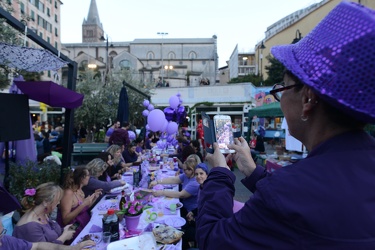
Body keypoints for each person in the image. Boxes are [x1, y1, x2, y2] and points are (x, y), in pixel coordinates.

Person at [196, 2, 375, 249]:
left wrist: (219, 174)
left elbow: (212, 239)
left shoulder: (290, 191)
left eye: (282, 88)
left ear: (307, 99)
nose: (280, 101)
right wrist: (253, 171)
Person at [57, 166, 101, 243]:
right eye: (88, 175)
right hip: (74, 229)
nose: (89, 177)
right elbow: (65, 219)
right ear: (81, 178)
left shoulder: (79, 190)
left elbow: (83, 209)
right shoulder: (68, 193)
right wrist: (83, 204)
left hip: (84, 224)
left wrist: (94, 198)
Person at [182, 163, 208, 250]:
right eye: (196, 174)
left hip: (205, 229)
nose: (198, 176)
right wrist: (193, 212)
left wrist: (194, 221)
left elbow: (208, 211)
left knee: (181, 234)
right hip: (199, 221)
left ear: (207, 175)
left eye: (201, 174)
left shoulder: (209, 190)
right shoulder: (201, 187)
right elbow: (201, 206)